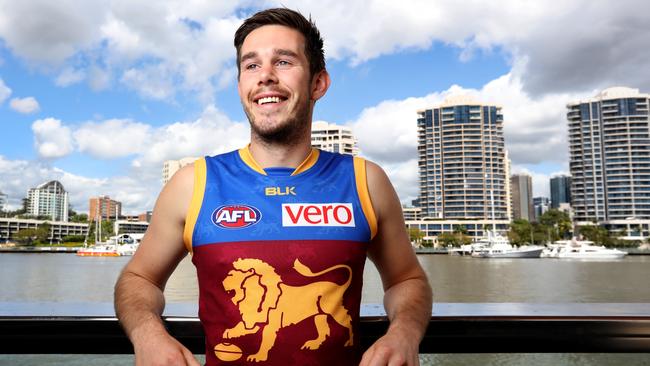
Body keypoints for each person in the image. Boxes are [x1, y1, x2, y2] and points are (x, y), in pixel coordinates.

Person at [114, 7, 432, 366]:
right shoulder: (194, 183)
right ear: (240, 86)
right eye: (251, 65)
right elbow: (139, 279)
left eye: (283, 62)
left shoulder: (365, 180)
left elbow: (407, 280)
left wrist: (404, 333)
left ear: (318, 83)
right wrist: (149, 335)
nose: (265, 76)